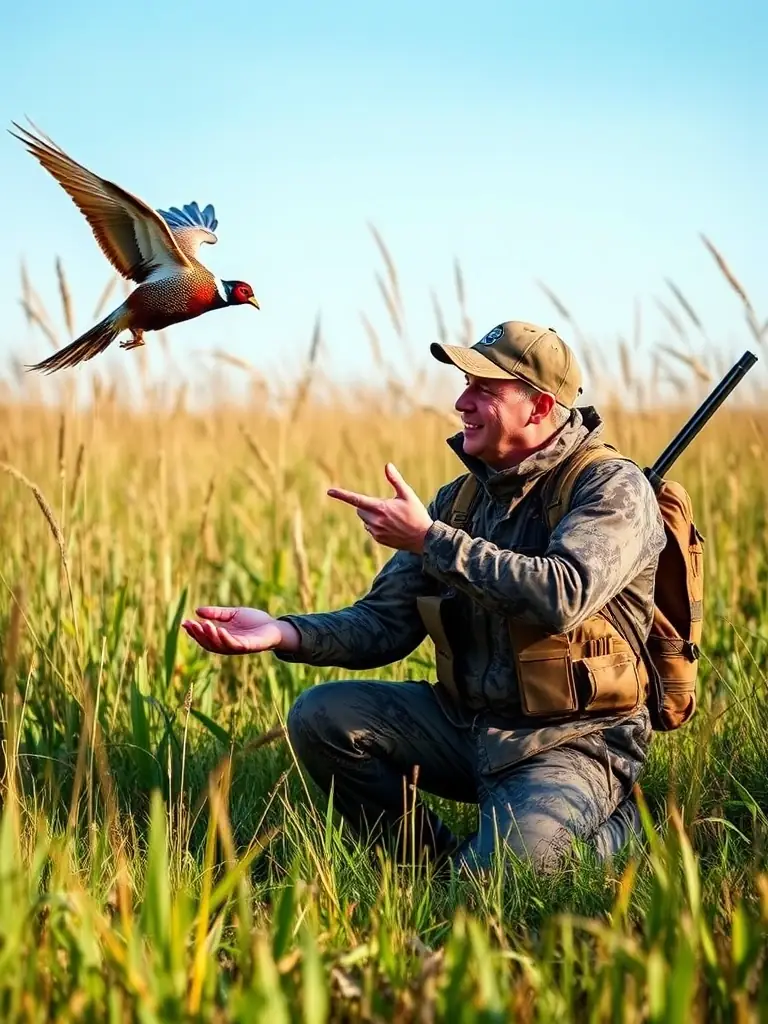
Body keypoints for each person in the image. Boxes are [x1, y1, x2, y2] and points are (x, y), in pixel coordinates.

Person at [182, 321, 666, 877]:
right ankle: (428, 866)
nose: (461, 402)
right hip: (466, 726)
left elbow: (563, 592)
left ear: (538, 406)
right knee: (321, 717)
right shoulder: (458, 501)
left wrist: (430, 539)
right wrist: (285, 632)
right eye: (464, 384)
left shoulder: (610, 487)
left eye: (484, 389)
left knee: (503, 882)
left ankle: (620, 828)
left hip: (573, 740)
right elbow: (384, 623)